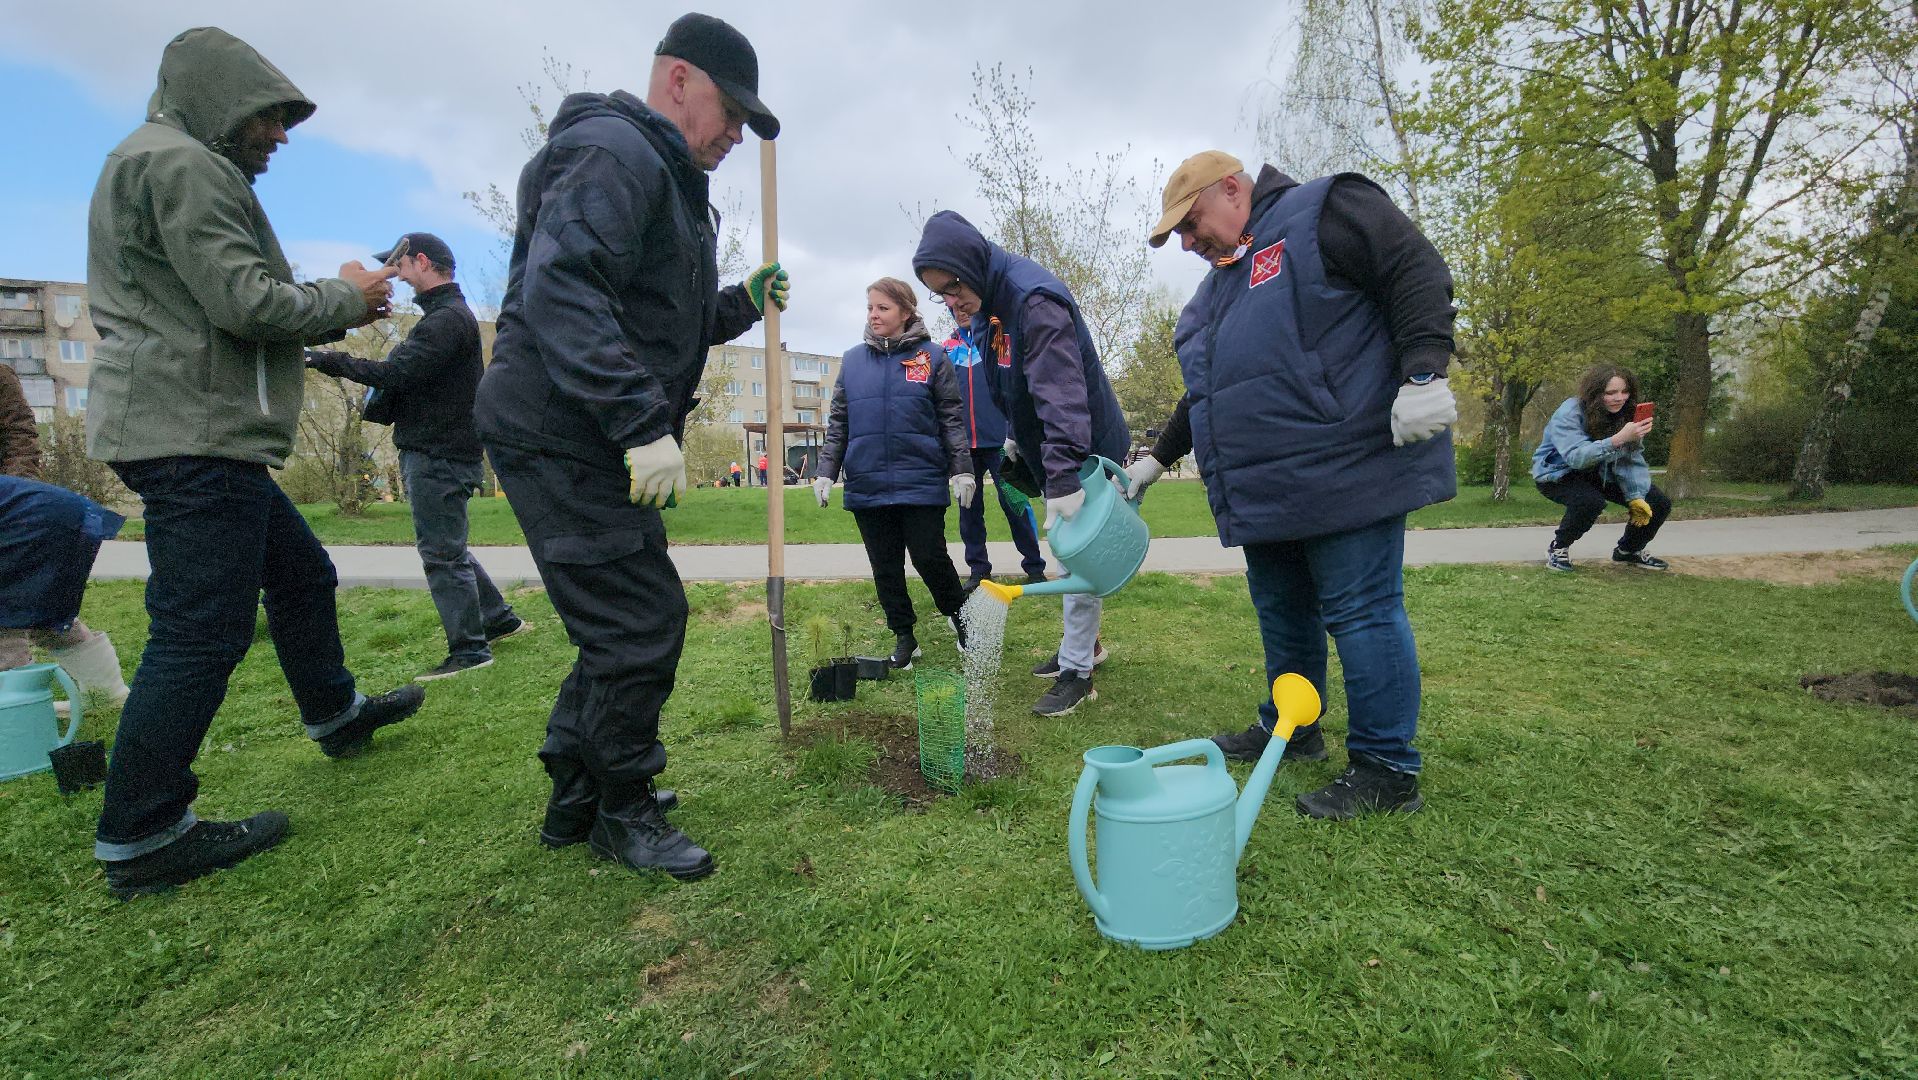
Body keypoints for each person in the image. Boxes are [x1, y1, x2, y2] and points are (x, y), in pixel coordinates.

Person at [82, 27, 427, 897]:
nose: (279, 136)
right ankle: (144, 831)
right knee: (201, 630)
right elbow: (244, 301)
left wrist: (336, 303)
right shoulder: (186, 165)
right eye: (271, 118)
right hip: (191, 433)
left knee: (302, 575)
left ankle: (336, 714)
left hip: (194, 429)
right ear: (222, 101)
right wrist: (349, 295)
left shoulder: (155, 158)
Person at [474, 12, 788, 882]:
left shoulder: (664, 173)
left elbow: (661, 320)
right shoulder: (617, 151)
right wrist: (640, 424)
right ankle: (622, 806)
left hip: (581, 428)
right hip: (562, 426)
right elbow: (564, 288)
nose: (733, 134)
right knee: (641, 620)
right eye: (731, 112)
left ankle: (576, 791)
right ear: (679, 80)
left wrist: (742, 300)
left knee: (620, 617)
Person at [1125, 151, 1459, 820]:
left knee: (1361, 611)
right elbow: (1206, 392)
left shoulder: (1324, 211)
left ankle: (1387, 768)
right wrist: (1156, 460)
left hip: (1345, 467)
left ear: (1232, 188)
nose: (1189, 244)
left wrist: (1425, 371)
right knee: (1282, 612)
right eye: (1179, 239)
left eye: (1190, 226)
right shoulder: (1215, 295)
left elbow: (1412, 267)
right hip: (1266, 487)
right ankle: (1293, 727)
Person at [914, 211, 1129, 717]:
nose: (951, 300)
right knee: (1070, 558)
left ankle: (1079, 670)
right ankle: (1086, 647)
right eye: (939, 293)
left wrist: (1062, 477)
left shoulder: (1032, 301)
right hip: (1056, 446)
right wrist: (1013, 435)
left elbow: (1063, 398)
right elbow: (1011, 382)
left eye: (953, 286)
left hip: (1086, 451)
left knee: (1076, 557)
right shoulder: (992, 309)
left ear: (971, 263)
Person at [306, 233, 528, 681]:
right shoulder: (446, 317)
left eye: (397, 264)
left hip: (438, 453)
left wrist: (328, 359)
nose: (391, 275)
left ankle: (469, 652)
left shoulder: (446, 320)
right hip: (445, 450)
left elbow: (398, 374)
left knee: (441, 553)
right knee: (449, 547)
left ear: (421, 261)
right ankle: (499, 620)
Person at [813, 277, 976, 668]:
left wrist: (962, 470)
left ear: (906, 312)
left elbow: (951, 419)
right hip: (868, 483)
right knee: (884, 567)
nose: (874, 315)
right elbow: (839, 421)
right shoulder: (852, 361)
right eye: (870, 307)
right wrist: (825, 471)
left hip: (919, 479)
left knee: (930, 557)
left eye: (883, 308)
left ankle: (960, 616)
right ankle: (904, 636)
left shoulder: (933, 357)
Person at [0, 362, 131, 704]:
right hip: (41, 510)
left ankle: (18, 711)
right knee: (47, 615)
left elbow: (20, 437)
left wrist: (16, 492)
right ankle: (108, 696)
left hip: (21, 514)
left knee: (6, 617)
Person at [1533, 365, 1672, 571]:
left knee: (1656, 503)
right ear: (1595, 393)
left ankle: (1629, 551)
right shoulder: (1569, 412)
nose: (1619, 398)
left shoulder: (1626, 414)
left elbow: (1631, 458)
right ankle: (1558, 548)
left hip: (1601, 472)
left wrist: (1636, 495)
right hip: (1558, 473)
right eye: (1611, 393)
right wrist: (1618, 439)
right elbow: (1576, 458)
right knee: (1589, 502)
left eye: (1624, 392)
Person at [944, 321, 1048, 591]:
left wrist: (1014, 429)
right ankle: (979, 570)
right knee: (969, 510)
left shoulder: (998, 340)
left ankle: (1034, 565)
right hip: (964, 446)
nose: (961, 311)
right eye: (954, 308)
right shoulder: (947, 348)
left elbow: (1014, 385)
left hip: (1001, 441)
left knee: (1015, 504)